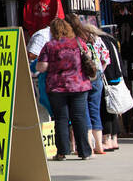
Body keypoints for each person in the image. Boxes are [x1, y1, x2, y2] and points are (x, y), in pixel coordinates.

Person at [36, 18, 92, 161]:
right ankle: (84, 151)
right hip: (79, 86)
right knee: (79, 118)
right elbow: (89, 57)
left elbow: (41, 67)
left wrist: (54, 65)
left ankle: (62, 152)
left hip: (57, 87)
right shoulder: (79, 43)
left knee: (61, 119)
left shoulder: (49, 46)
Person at [67, 14, 110, 156]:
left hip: (81, 78)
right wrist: (98, 72)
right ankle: (99, 146)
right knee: (95, 110)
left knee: (83, 111)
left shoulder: (72, 40)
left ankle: (88, 147)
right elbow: (106, 58)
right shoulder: (93, 37)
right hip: (96, 74)